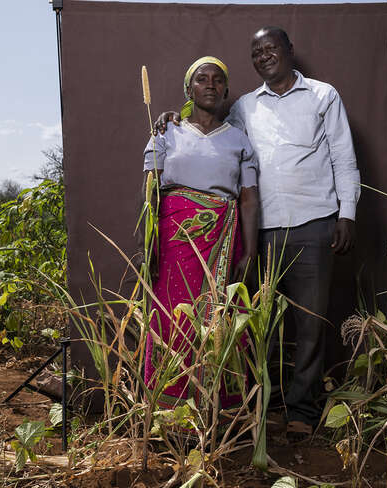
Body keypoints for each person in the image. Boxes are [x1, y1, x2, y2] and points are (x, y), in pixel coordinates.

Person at [156, 27, 361, 441]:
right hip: (260, 232)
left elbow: (343, 155)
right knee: (253, 324)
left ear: (289, 51)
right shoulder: (244, 107)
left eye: (272, 48)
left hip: (315, 222)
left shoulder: (323, 96)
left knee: (309, 323)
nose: (265, 56)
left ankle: (302, 411)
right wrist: (171, 117)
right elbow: (207, 132)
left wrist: (348, 214)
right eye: (257, 52)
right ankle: (259, 406)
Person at [140, 56, 260, 411]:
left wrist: (249, 252)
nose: (210, 84)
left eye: (218, 79)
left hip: (224, 239)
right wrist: (149, 245)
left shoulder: (239, 140)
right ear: (188, 89)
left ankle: (217, 411)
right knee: (173, 315)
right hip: (175, 239)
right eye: (202, 79)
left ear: (225, 90)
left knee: (221, 319)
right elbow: (150, 192)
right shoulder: (166, 132)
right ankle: (169, 409)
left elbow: (249, 200)